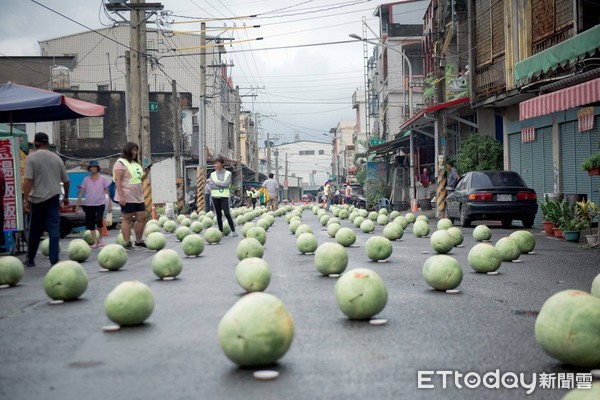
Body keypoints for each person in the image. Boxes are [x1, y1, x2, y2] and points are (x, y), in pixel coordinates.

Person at [23, 132, 70, 267]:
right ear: (48, 144)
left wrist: (26, 200)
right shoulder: (57, 159)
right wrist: (66, 197)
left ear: (35, 143)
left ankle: (30, 259)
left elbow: (28, 180)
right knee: (54, 229)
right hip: (53, 198)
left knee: (34, 231)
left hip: (37, 199)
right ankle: (54, 259)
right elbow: (66, 181)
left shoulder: (31, 158)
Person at [113, 142, 150, 250]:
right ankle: (127, 242)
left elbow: (139, 179)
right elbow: (118, 180)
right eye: (133, 150)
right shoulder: (120, 163)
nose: (135, 152)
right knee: (127, 218)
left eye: (136, 150)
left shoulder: (135, 164)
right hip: (127, 194)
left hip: (138, 195)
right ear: (127, 150)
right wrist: (121, 197)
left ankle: (138, 241)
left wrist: (145, 173)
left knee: (141, 217)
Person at [76, 160, 111, 249]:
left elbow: (107, 192)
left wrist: (109, 204)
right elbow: (81, 192)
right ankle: (95, 241)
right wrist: (78, 205)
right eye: (91, 167)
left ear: (97, 168)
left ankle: (100, 239)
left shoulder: (103, 179)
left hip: (100, 203)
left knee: (99, 220)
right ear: (89, 168)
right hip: (89, 204)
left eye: (95, 167)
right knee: (90, 223)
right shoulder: (86, 179)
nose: (93, 168)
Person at [208, 157, 237, 236]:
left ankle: (233, 231)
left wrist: (217, 183)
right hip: (215, 196)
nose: (216, 165)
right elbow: (211, 185)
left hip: (224, 196)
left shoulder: (228, 173)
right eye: (215, 163)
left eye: (217, 163)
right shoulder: (212, 174)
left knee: (227, 214)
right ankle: (220, 231)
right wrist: (221, 184)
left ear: (222, 164)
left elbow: (226, 184)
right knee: (218, 214)